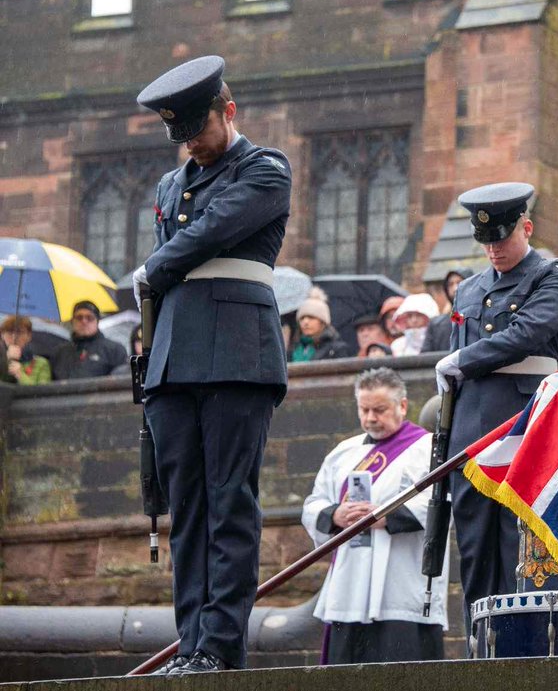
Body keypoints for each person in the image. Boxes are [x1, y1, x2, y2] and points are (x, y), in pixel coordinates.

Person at [130, 55, 292, 675]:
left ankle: (220, 648)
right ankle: (190, 642)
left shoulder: (264, 168)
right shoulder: (171, 186)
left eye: (199, 130)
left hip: (235, 357)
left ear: (229, 111)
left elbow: (214, 231)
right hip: (174, 359)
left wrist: (159, 266)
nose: (192, 145)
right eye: (182, 136)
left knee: (230, 503)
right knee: (188, 512)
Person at [433, 182, 558, 642]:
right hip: (471, 431)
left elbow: (530, 332)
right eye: (487, 241)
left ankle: (525, 644)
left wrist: (464, 360)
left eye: (502, 237)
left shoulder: (554, 275)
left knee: (525, 544)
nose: (494, 249)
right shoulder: (470, 289)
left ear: (526, 227)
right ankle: (480, 641)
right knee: (474, 546)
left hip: (526, 421)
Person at [301, 367, 446, 664]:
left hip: (401, 586)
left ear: (402, 406)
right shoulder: (343, 453)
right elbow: (313, 503)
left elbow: (441, 502)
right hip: (348, 588)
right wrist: (335, 515)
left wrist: (386, 518)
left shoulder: (426, 448)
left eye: (379, 410)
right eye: (364, 409)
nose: (370, 418)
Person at [50, 300, 126, 380]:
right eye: (79, 318)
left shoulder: (114, 350)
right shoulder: (60, 353)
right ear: (72, 321)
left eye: (89, 318)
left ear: (97, 321)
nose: (84, 321)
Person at [290, 292, 354, 362]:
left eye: (311, 317)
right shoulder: (291, 350)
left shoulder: (337, 350)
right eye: (302, 318)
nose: (305, 322)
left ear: (322, 322)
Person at [422, 269, 473, 354]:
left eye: (459, 282)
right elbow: (425, 357)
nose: (455, 288)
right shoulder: (436, 324)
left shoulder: (483, 317)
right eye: (450, 284)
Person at [1, 315, 52, 385]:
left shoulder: (41, 363)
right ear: (2, 335)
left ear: (29, 336)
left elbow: (42, 393)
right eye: (9, 332)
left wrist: (21, 375)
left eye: (20, 332)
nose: (14, 337)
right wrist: (5, 361)